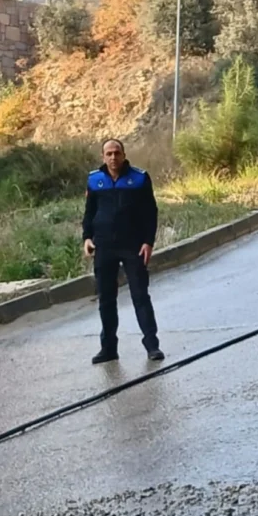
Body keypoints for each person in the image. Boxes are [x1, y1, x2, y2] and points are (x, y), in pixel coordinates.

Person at [82, 139, 165, 365]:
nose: (113, 157)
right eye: (108, 153)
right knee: (106, 300)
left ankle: (152, 346)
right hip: (104, 247)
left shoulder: (139, 179)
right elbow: (89, 213)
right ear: (103, 157)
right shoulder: (94, 180)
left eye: (116, 153)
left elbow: (151, 213)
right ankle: (108, 348)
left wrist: (148, 242)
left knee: (140, 296)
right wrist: (87, 238)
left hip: (133, 246)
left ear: (124, 154)